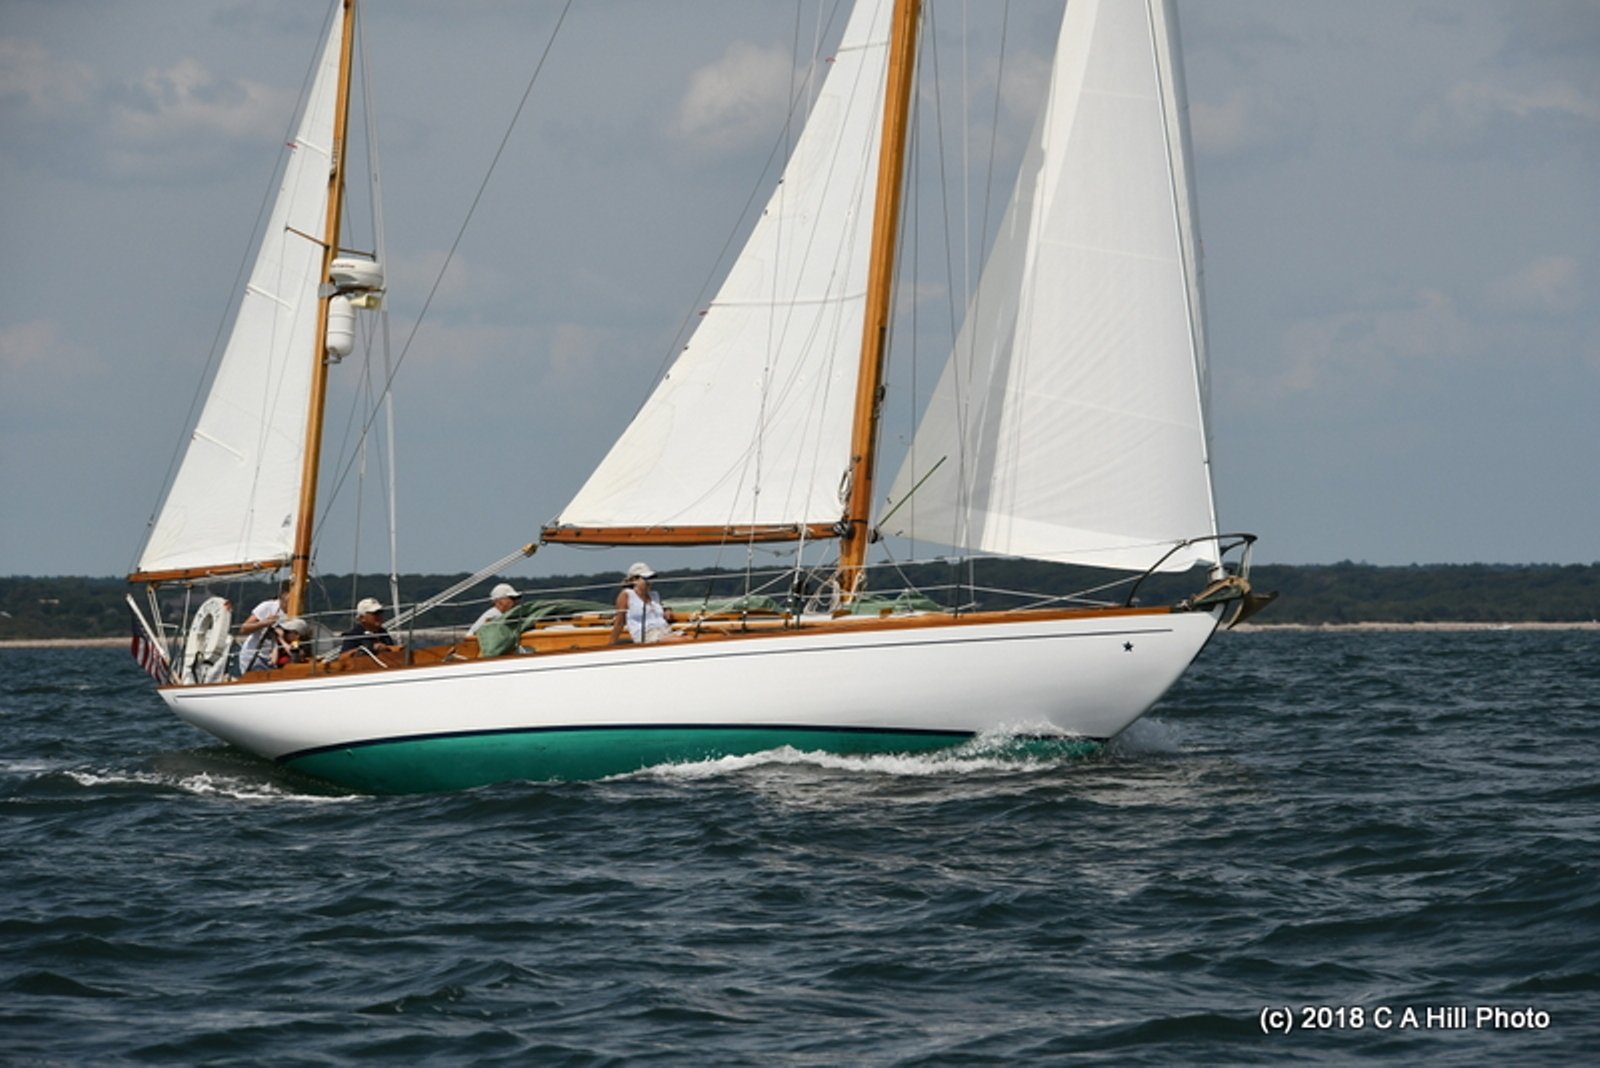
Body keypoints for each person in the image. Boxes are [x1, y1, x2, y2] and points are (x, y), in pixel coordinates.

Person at [610, 562, 678, 644]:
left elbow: (659, 609)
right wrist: (611, 644)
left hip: (664, 630)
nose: (650, 582)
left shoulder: (654, 595)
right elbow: (620, 621)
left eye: (651, 578)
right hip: (647, 635)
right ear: (634, 580)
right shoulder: (627, 595)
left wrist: (667, 610)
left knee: (690, 638)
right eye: (646, 578)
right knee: (683, 641)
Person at [236, 580, 291, 674]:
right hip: (254, 656)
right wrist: (263, 623)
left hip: (272, 659)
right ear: (283, 594)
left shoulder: (295, 611)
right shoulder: (268, 607)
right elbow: (243, 629)